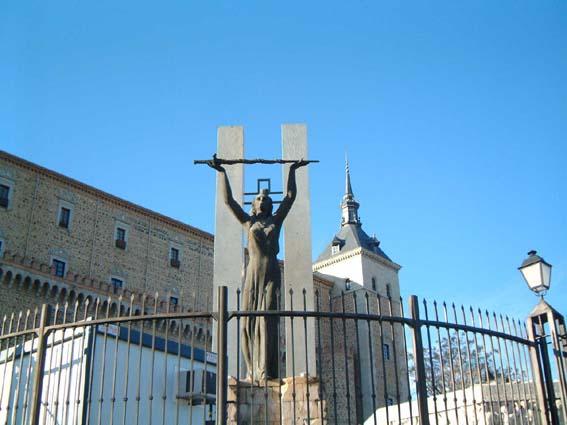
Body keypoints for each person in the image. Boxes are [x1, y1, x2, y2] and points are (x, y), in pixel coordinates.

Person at [207, 156, 309, 380]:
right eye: (259, 198)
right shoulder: (248, 222)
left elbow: (290, 197)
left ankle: (267, 371)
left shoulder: (276, 221)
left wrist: (293, 170)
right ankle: (252, 370)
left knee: (267, 320)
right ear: (253, 205)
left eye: (266, 199)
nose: (262, 200)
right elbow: (229, 201)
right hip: (252, 274)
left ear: (270, 205)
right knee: (247, 322)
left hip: (271, 273)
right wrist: (222, 172)